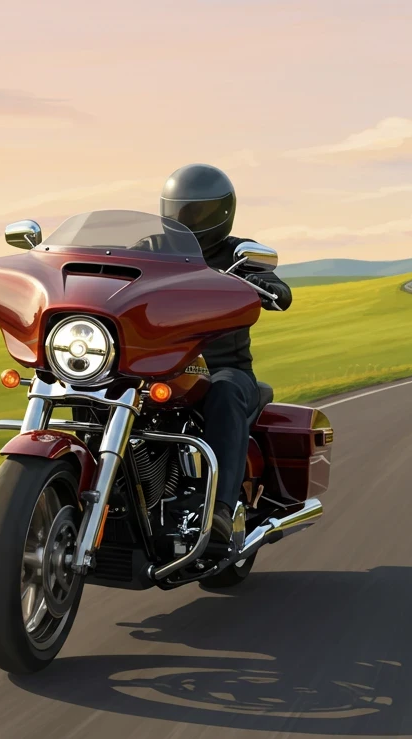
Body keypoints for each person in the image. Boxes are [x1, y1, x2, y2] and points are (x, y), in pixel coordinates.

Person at [159, 163, 292, 554]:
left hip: (224, 370)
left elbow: (280, 293)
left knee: (225, 393)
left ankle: (217, 509)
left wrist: (266, 285)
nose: (186, 220)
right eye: (179, 211)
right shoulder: (152, 249)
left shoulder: (237, 253)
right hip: (161, 368)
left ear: (220, 213)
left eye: (196, 212)